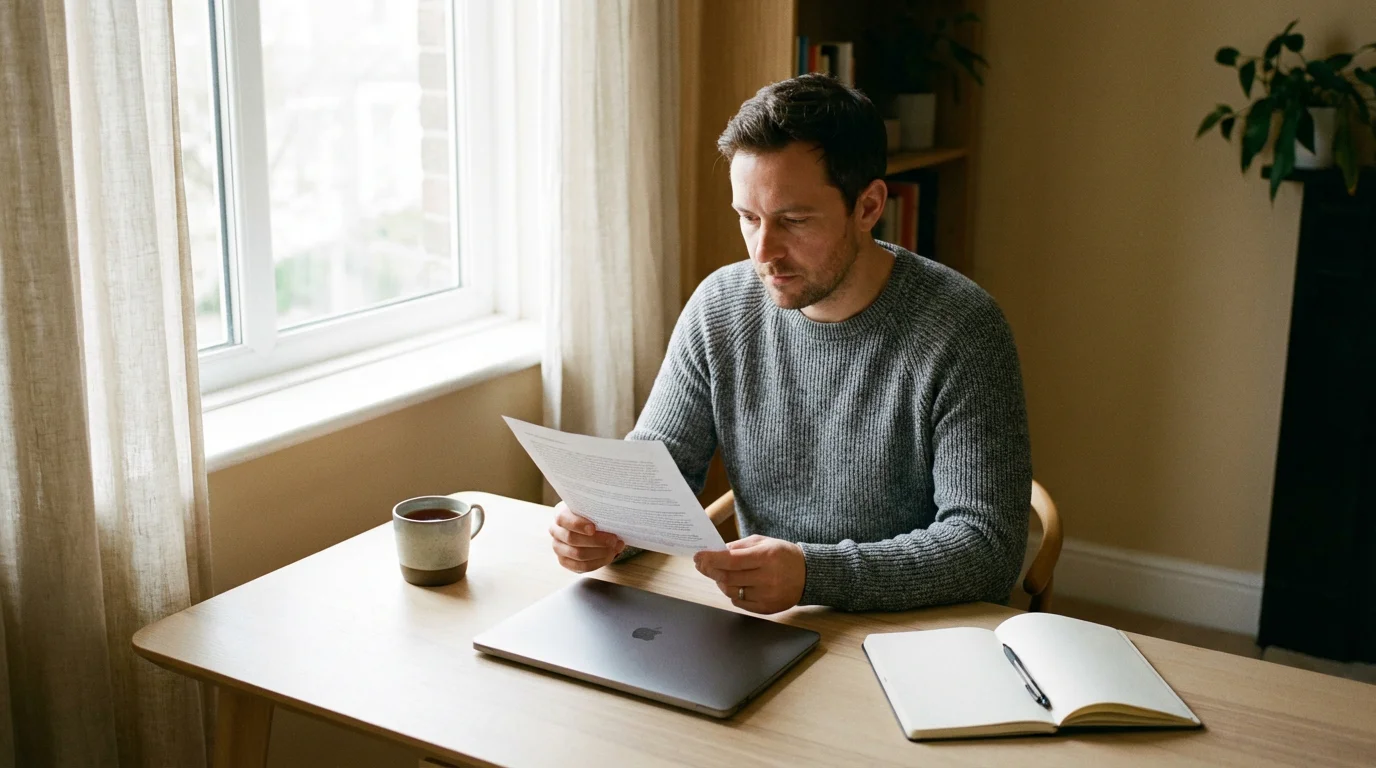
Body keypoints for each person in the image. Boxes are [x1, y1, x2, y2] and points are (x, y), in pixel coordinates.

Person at [547, 73, 1032, 614]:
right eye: (748, 219)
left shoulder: (963, 329)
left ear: (869, 206)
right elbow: (658, 466)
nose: (763, 252)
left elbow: (988, 549)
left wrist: (814, 574)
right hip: (768, 623)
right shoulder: (721, 306)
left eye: (793, 221)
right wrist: (603, 522)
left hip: (913, 634)